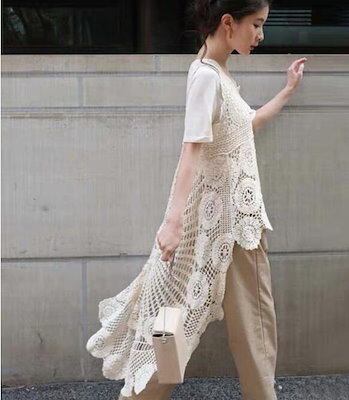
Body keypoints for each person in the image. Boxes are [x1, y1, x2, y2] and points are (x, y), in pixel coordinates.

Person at [86, 1, 306, 399]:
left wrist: (287, 91)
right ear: (228, 23)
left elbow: (247, 125)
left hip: (206, 228)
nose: (261, 35)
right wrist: (172, 223)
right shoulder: (208, 76)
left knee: (171, 322)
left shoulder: (212, 72)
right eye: (256, 24)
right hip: (233, 228)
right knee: (252, 330)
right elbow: (192, 148)